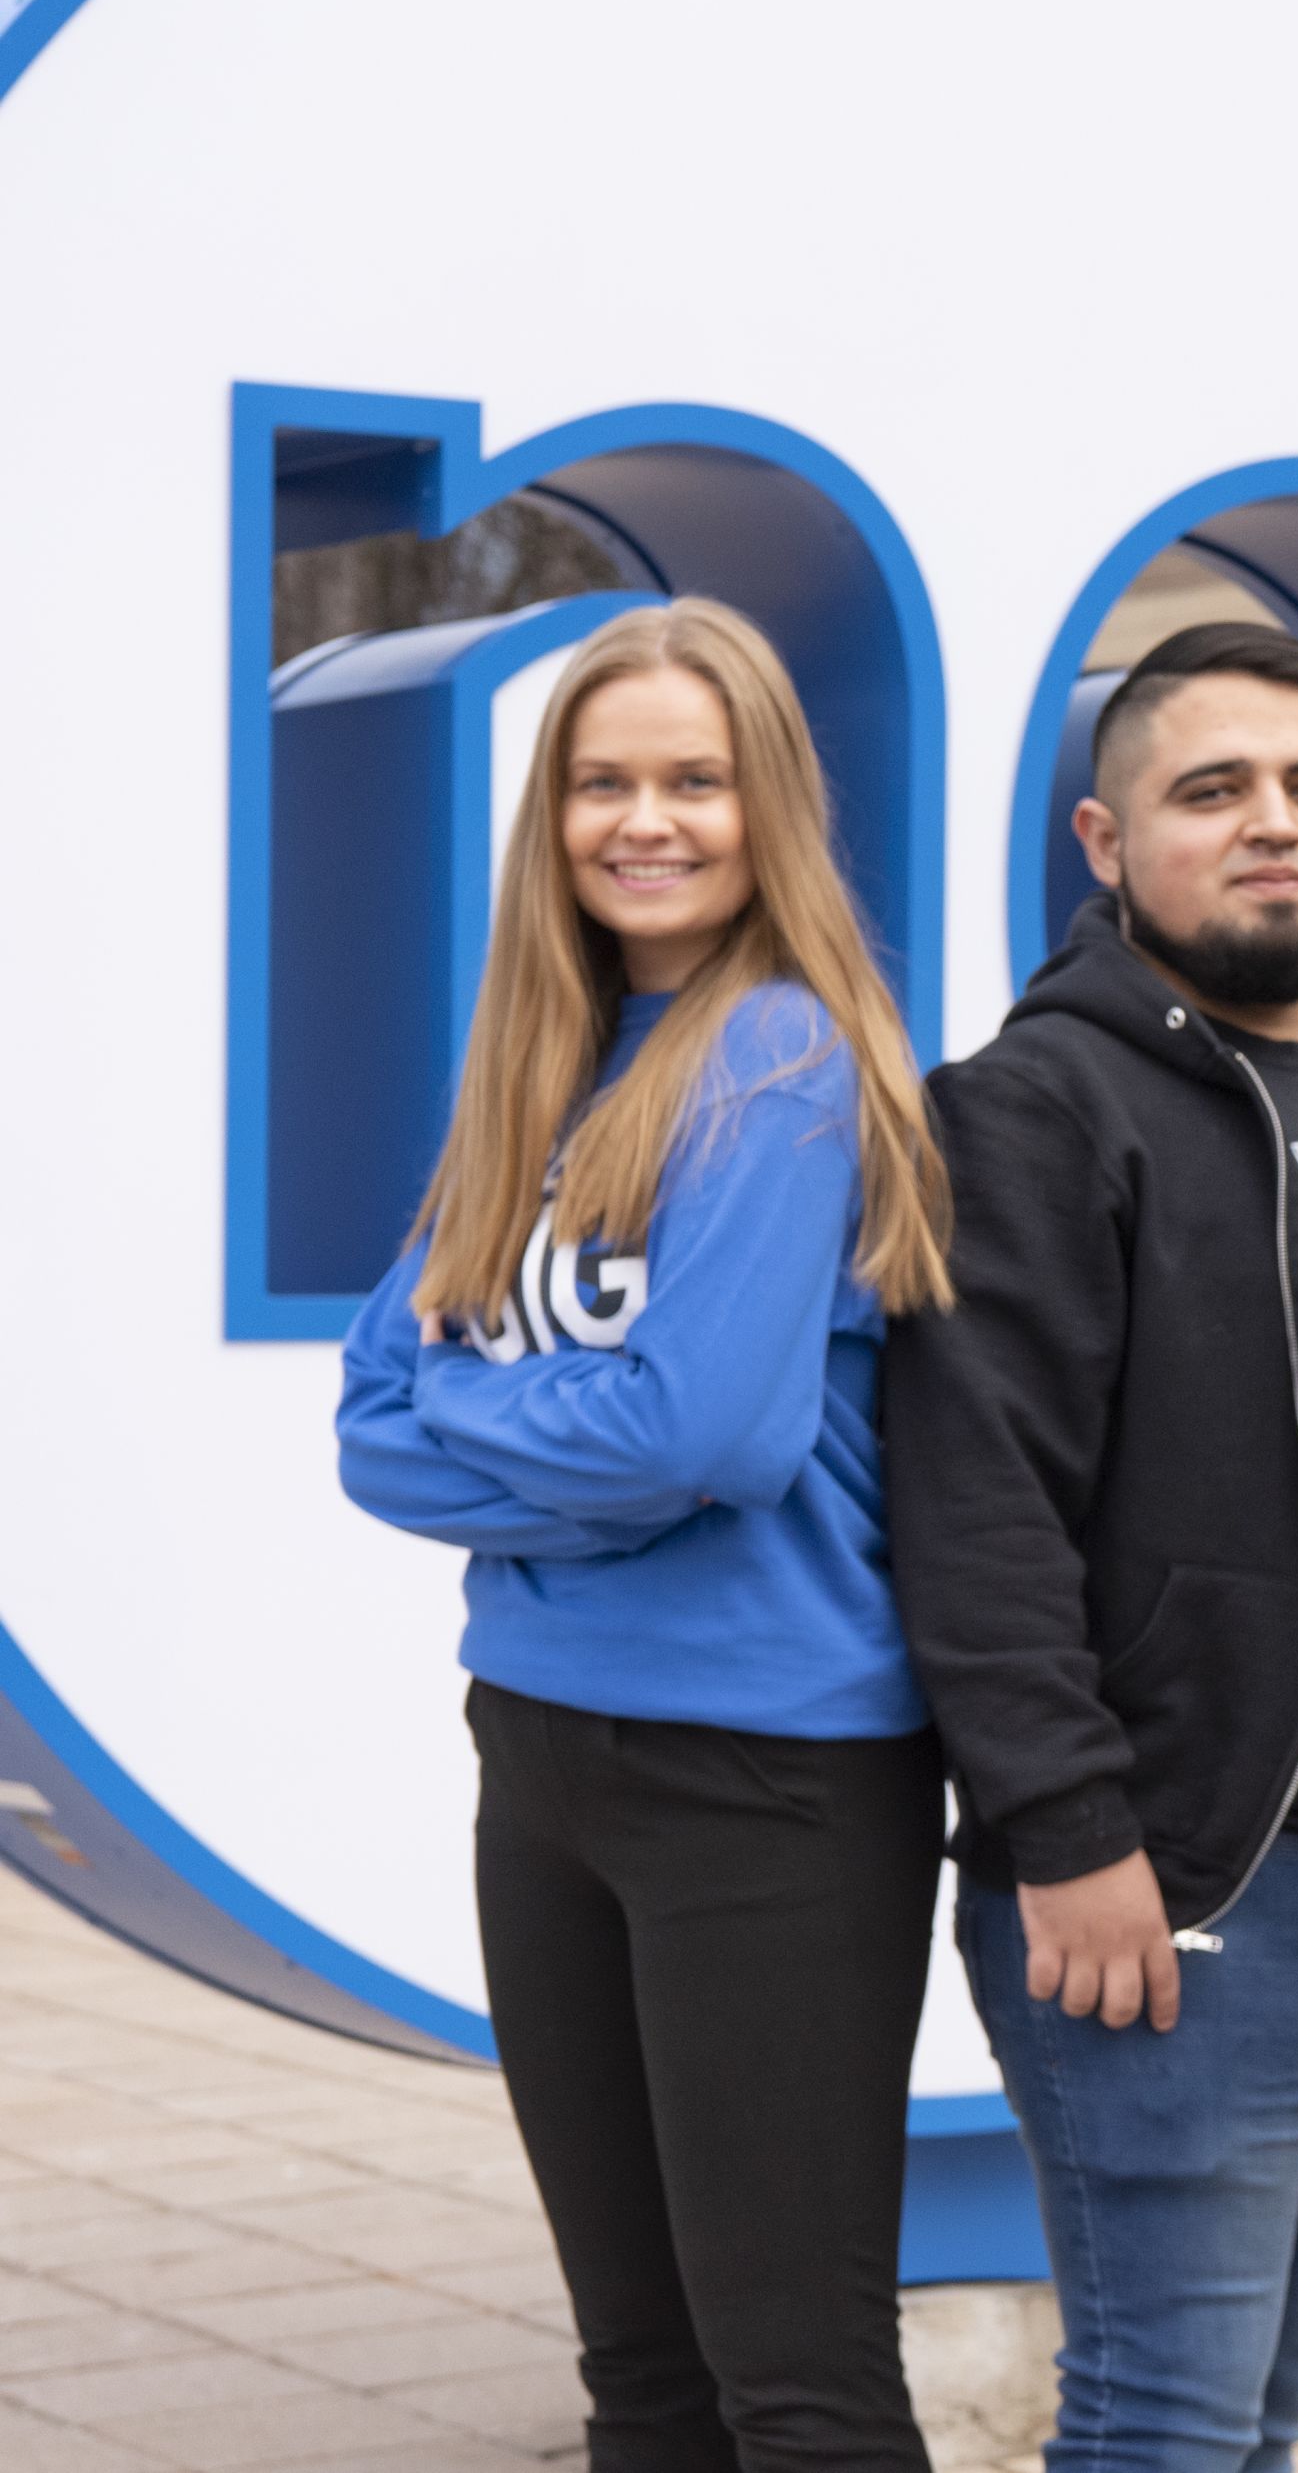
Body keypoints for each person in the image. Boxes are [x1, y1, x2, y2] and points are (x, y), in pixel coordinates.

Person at [333, 598, 954, 2473]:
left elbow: (716, 1429)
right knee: (642, 2377)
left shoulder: (776, 1061)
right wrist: (581, 1456)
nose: (646, 818)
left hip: (764, 1779)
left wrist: (489, 1412)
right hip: (535, 1750)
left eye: (695, 778)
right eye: (604, 780)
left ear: (770, 806)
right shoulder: (537, 1070)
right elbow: (372, 1433)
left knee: (801, 2383)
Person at [884, 623, 1298, 2473]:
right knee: (1163, 2418)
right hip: (1194, 1889)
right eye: (1210, 789)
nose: (1273, 825)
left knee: (1265, 2409)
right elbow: (973, 1499)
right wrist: (1071, 1832)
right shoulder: (1032, 1108)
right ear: (1103, 837)